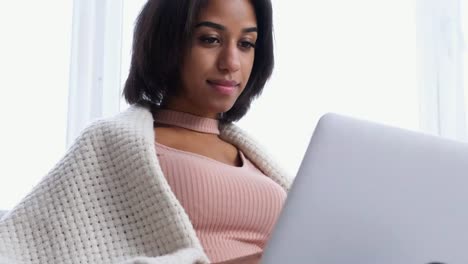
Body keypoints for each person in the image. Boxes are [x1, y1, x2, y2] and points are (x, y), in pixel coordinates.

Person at [0, 0, 291, 263]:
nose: (231, 63)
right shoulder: (111, 144)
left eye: (246, 44)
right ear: (168, 43)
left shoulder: (258, 161)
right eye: (210, 39)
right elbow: (16, 249)